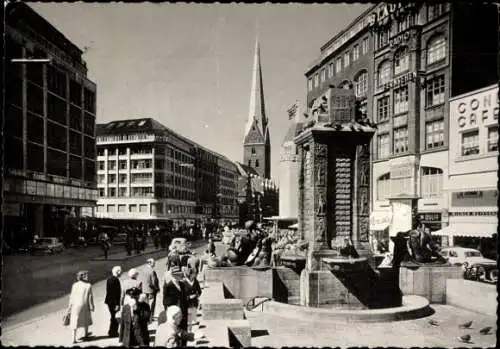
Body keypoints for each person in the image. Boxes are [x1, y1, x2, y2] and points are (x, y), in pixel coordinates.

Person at [162, 266, 188, 344]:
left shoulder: (182, 284)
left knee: (184, 332)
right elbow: (165, 301)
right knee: (175, 333)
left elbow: (185, 298)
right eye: (179, 275)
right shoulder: (168, 286)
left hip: (183, 312)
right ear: (174, 275)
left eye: (181, 274)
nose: (181, 276)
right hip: (175, 314)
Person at [67, 270, 95, 344]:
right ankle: (86, 335)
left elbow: (72, 297)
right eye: (86, 275)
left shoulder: (75, 285)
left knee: (74, 321)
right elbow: (90, 297)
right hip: (85, 304)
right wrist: (92, 306)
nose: (87, 276)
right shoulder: (88, 285)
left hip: (76, 305)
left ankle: (73, 339)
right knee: (86, 318)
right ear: (82, 277)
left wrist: (69, 307)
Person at [139, 258, 160, 323]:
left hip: (144, 290)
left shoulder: (143, 270)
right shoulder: (152, 271)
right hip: (151, 291)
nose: (154, 264)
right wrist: (157, 289)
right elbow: (153, 282)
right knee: (151, 305)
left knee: (146, 305)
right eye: (154, 263)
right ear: (150, 263)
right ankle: (150, 319)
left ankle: (145, 317)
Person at [182, 267, 202, 333]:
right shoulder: (184, 283)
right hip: (187, 303)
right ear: (190, 274)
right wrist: (189, 297)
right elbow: (182, 295)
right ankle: (189, 332)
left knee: (193, 318)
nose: (195, 275)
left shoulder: (195, 281)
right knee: (189, 319)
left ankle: (191, 331)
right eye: (194, 274)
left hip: (194, 303)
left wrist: (196, 295)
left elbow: (199, 291)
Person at [105, 266, 122, 337]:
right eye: (120, 271)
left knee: (113, 316)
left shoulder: (109, 279)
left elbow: (109, 291)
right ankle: (113, 332)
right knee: (115, 317)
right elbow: (116, 293)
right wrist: (117, 304)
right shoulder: (116, 280)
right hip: (114, 302)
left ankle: (112, 331)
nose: (121, 272)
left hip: (109, 301)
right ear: (117, 272)